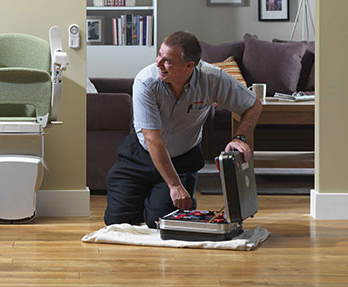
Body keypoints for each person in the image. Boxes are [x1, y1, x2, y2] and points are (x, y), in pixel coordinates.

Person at [103, 31, 262, 228]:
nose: (158, 63)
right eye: (159, 55)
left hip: (181, 160)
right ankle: (150, 198)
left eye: (167, 60)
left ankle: (160, 203)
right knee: (117, 223)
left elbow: (253, 105)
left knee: (165, 224)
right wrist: (175, 186)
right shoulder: (146, 81)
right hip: (140, 156)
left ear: (189, 66)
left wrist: (240, 138)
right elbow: (152, 139)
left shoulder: (212, 79)